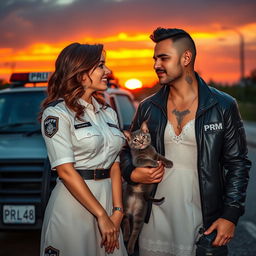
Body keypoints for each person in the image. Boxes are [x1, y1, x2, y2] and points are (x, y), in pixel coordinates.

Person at [120, 27, 251, 256]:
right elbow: (124, 151)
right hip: (153, 222)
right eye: (155, 58)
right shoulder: (148, 108)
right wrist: (132, 172)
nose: (156, 65)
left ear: (186, 57)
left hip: (201, 221)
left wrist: (230, 214)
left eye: (164, 58)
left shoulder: (222, 106)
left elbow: (238, 164)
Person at [39, 42, 128, 256]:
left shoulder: (108, 113)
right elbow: (66, 172)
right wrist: (101, 215)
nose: (107, 71)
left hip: (108, 203)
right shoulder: (57, 114)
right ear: (80, 74)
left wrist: (117, 212)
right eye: (100, 66)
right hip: (73, 206)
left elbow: (115, 165)